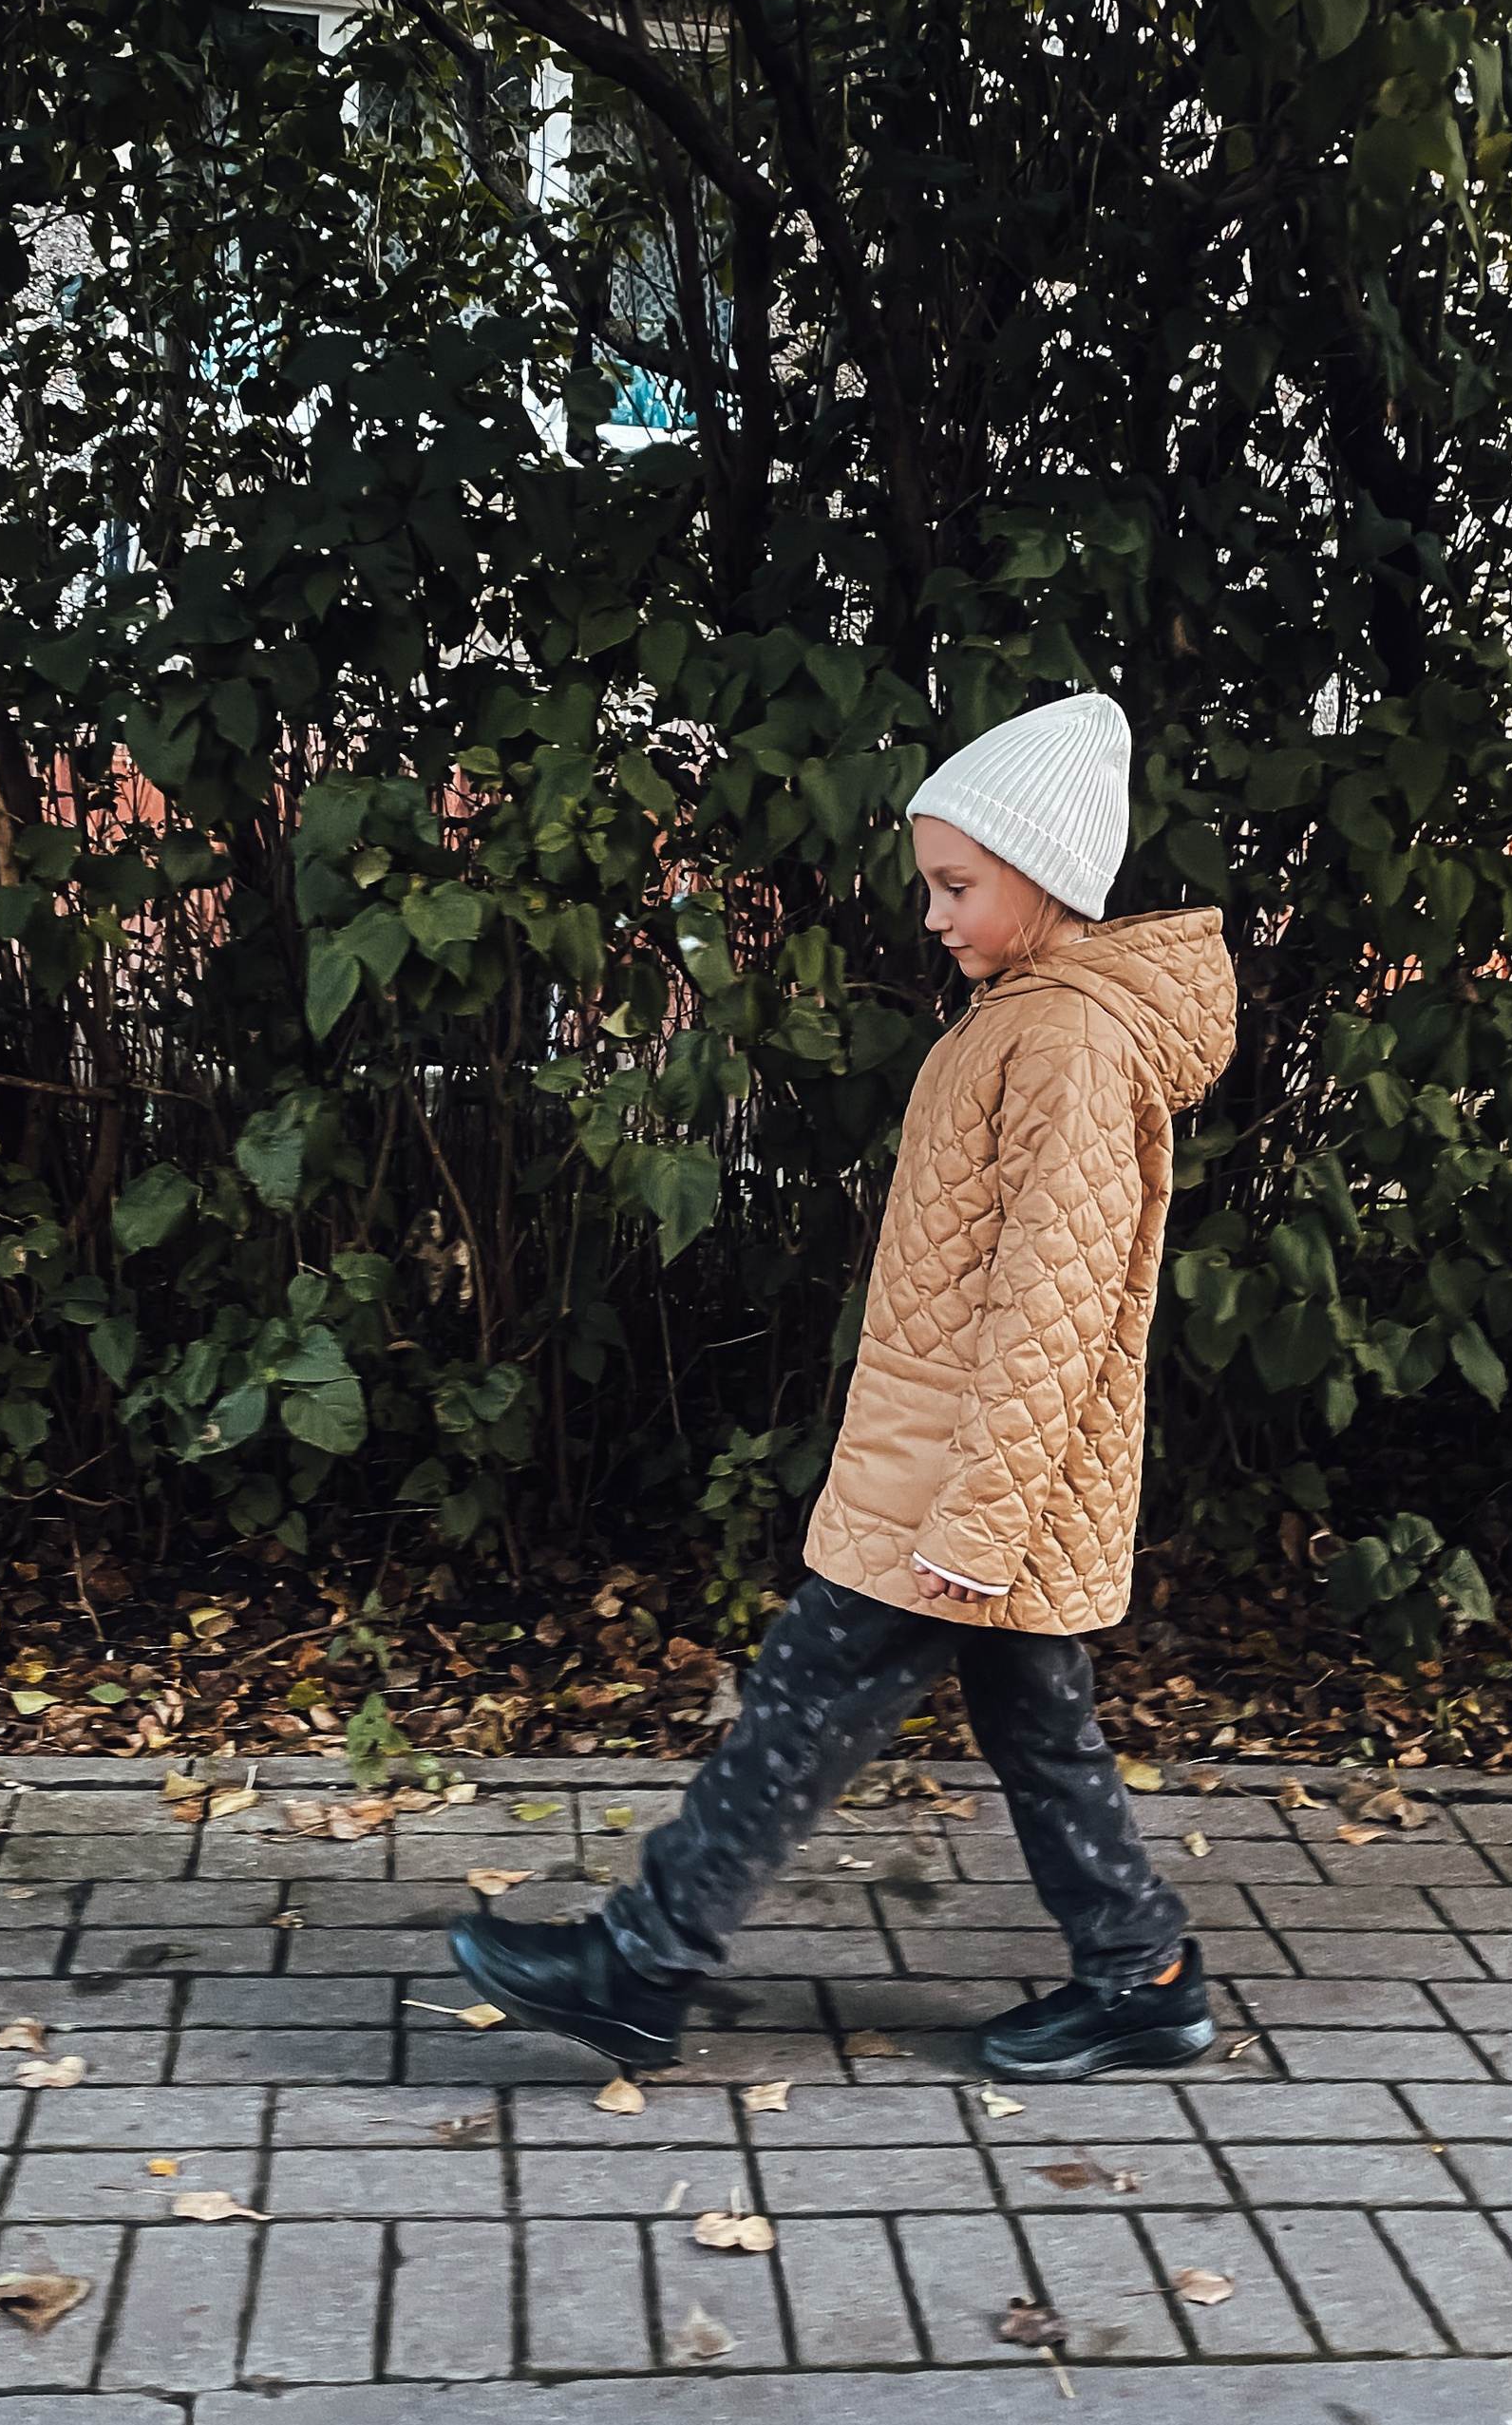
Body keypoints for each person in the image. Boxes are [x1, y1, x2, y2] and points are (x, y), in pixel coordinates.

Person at [449, 689, 1238, 2079]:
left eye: (955, 885)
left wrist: (981, 1525)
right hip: (962, 1471)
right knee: (1035, 1726)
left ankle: (644, 1963)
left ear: (1043, 878)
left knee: (810, 1692)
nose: (932, 915)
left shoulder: (1064, 1043)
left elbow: (1051, 1313)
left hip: (970, 1481)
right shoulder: (1024, 1016)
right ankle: (1144, 1975)